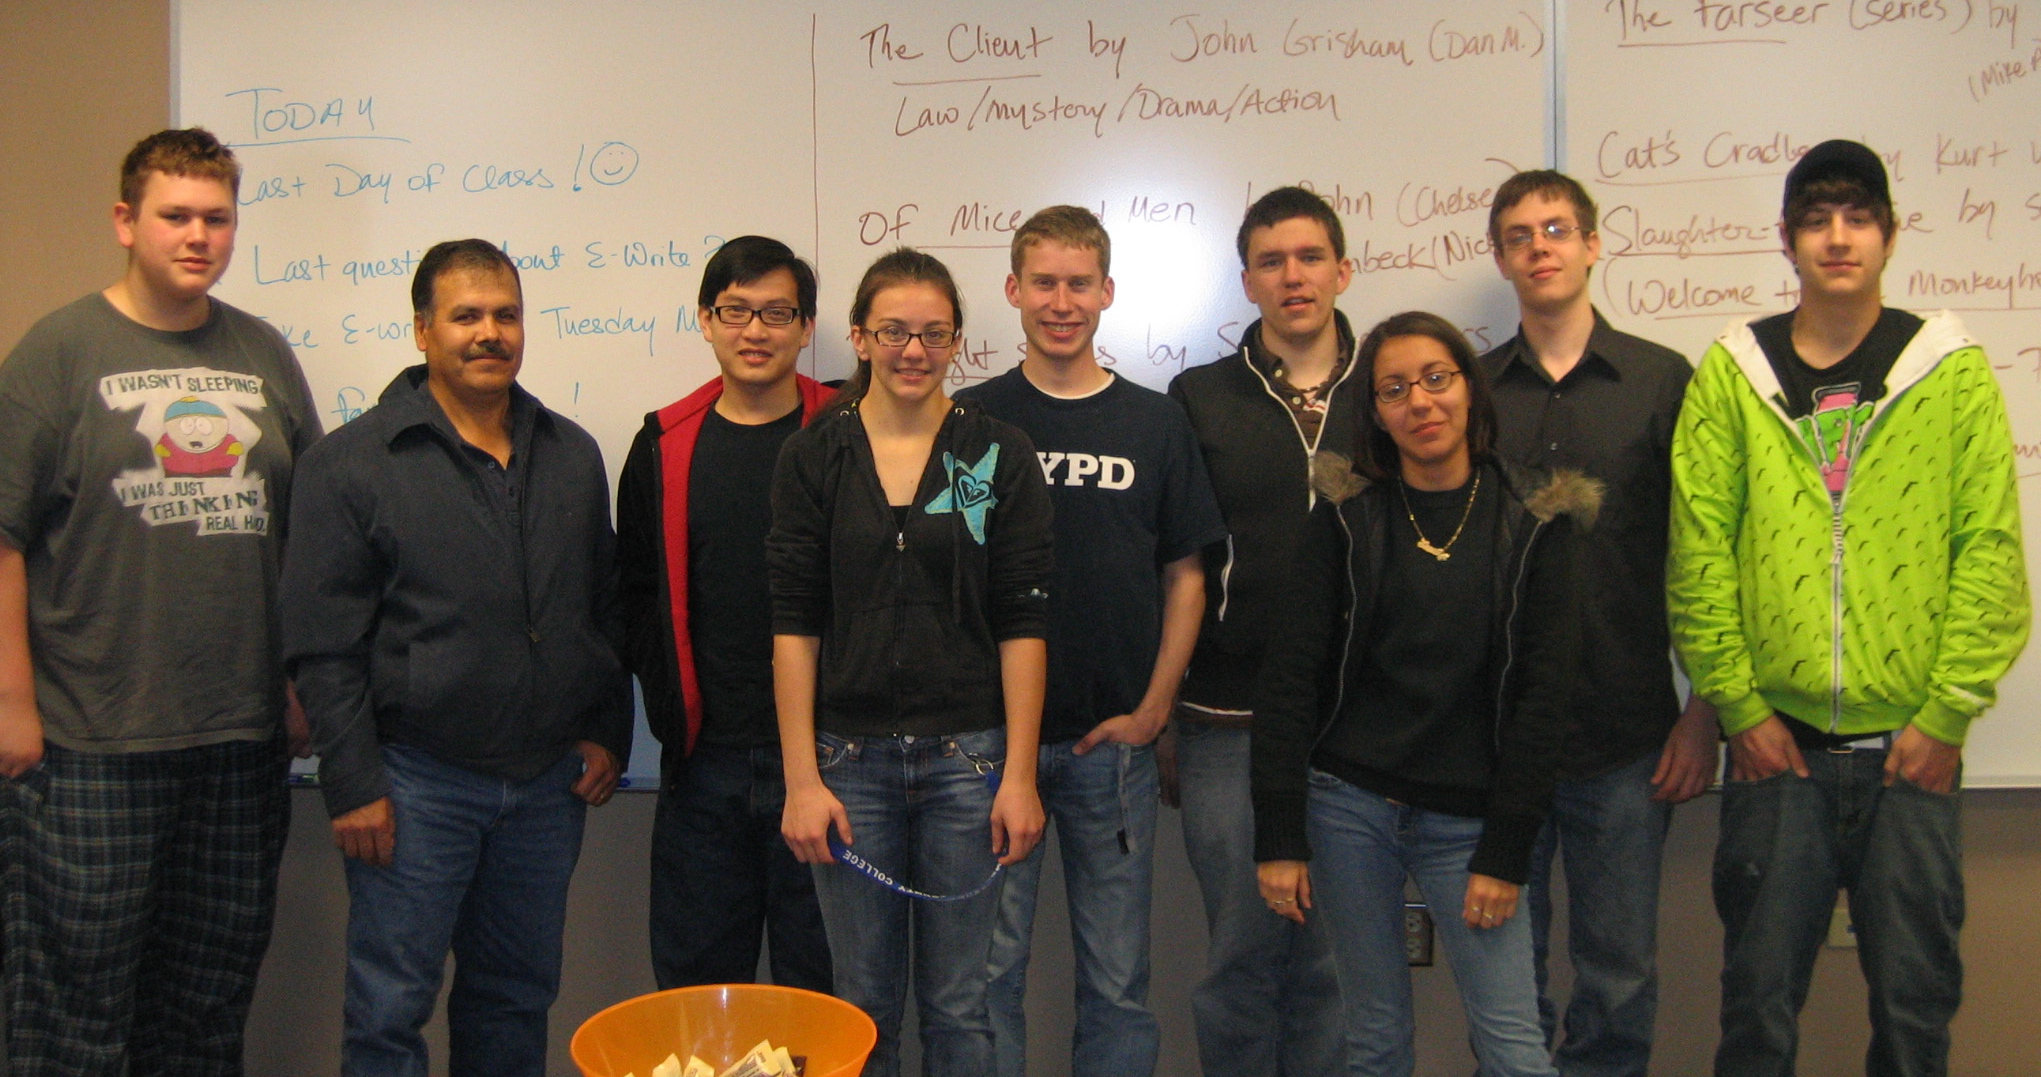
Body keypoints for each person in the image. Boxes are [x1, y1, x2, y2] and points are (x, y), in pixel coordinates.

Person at [1668, 139, 2030, 1077]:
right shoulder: (1732, 374)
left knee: (1914, 1018)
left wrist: (1945, 716)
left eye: (1857, 217)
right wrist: (1738, 708)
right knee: (1755, 1016)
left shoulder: (1948, 372)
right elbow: (1698, 557)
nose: (1837, 237)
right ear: (1785, 239)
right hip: (1774, 756)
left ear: (1889, 235)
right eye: (1815, 219)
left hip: (1910, 757)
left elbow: (1988, 554)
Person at [0, 127, 321, 1077]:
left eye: (216, 218)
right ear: (125, 221)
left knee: (206, 1005)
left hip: (238, 740)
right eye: (175, 215)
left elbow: (308, 534)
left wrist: (300, 683)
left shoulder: (262, 351)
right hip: (90, 737)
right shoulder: (58, 350)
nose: (197, 236)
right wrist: (11, 701)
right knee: (76, 1009)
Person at [281, 238, 632, 1077]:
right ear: (422, 330)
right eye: (465, 315)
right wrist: (352, 781)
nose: (489, 333)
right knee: (389, 1009)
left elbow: (601, 603)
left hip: (545, 787)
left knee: (514, 998)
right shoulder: (351, 463)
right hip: (414, 784)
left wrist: (606, 729)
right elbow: (323, 644)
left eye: (506, 315)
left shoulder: (570, 452)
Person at [1254, 311, 1590, 1077]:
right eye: (1395, 389)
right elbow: (1289, 677)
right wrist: (1278, 834)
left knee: (1512, 1045)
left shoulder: (1535, 518)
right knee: (1372, 1038)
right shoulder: (1346, 516)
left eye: (1436, 378)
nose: (1420, 402)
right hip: (1347, 807)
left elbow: (1544, 698)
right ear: (1375, 413)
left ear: (1469, 389)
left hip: (1468, 822)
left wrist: (1505, 851)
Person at [770, 247, 1053, 1077]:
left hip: (969, 764)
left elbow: (1024, 622)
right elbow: (793, 625)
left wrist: (1019, 775)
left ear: (957, 340)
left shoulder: (996, 452)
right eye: (892, 330)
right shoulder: (813, 456)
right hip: (847, 766)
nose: (913, 351)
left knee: (961, 1005)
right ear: (859, 337)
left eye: (934, 333)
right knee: (861, 1005)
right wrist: (801, 779)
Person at [960, 206, 1226, 1077]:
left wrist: (1154, 711)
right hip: (992, 747)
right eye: (1043, 282)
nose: (1061, 301)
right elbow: (948, 567)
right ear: (1013, 290)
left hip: (1111, 749)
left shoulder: (1152, 422)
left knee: (1116, 982)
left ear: (1107, 291)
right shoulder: (972, 419)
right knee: (988, 976)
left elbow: (1187, 575)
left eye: (1079, 283)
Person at [1477, 169, 1719, 1076]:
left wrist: (1702, 712)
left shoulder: (1662, 380)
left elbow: (1704, 553)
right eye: (1518, 235)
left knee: (1618, 975)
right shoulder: (1470, 391)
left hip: (1627, 734)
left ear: (1591, 243)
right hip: (1495, 737)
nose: (1538, 247)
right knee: (1503, 976)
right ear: (1500, 258)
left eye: (1555, 229)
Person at [1165, 185, 1364, 1076]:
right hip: (1227, 720)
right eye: (1271, 261)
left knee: (1334, 964)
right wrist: (1164, 710)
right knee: (1240, 956)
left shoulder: (1390, 386)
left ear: (1341, 270)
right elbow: (1174, 563)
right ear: (1246, 282)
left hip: (1356, 724)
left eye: (1310, 257)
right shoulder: (1199, 397)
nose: (1293, 276)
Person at [618, 235, 834, 993]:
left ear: (806, 327)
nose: (755, 331)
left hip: (831, 766)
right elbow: (634, 595)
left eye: (777, 313)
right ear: (706, 319)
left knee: (824, 993)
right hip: (703, 769)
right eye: (736, 311)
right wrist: (670, 719)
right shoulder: (662, 442)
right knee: (699, 994)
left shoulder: (848, 433)